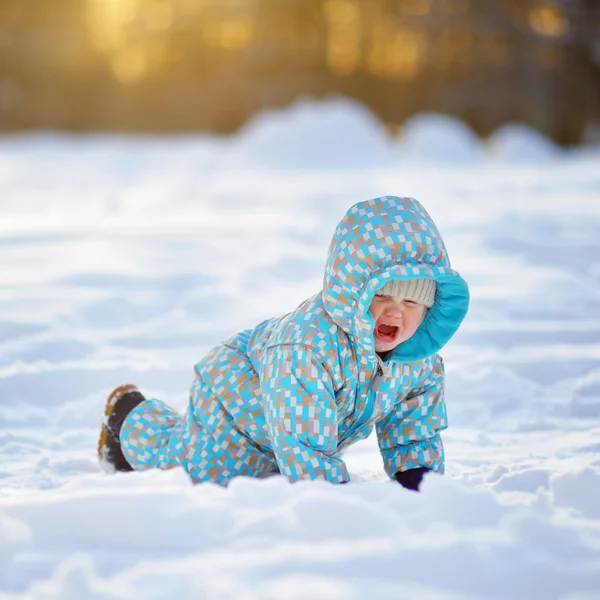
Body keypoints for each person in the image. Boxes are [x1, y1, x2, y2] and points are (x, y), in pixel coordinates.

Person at [98, 196, 469, 491]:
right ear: (354, 294)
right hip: (235, 407)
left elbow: (414, 425)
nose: (393, 312)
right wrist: (327, 497)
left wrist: (418, 479)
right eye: (381, 297)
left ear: (429, 308)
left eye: (410, 302)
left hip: (289, 433)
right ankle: (128, 415)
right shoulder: (308, 349)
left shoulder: (419, 361)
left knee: (275, 472)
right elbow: (303, 445)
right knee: (190, 472)